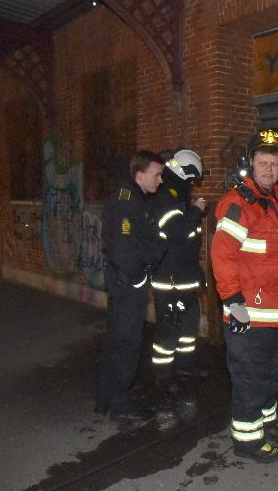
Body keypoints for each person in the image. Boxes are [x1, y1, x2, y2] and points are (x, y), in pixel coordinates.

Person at [210, 129, 278, 464]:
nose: (268, 169)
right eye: (262, 163)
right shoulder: (240, 203)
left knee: (272, 373)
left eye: (274, 163)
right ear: (250, 165)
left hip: (275, 313)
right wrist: (233, 301)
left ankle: (267, 424)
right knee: (250, 379)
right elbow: (221, 255)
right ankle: (247, 440)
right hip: (247, 313)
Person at [95, 150, 165, 424]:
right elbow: (123, 252)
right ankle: (120, 403)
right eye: (156, 175)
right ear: (139, 175)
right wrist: (137, 278)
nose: (160, 181)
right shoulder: (127, 204)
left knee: (118, 342)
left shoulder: (135, 199)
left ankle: (107, 398)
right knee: (126, 344)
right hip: (128, 285)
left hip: (125, 283)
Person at [150, 149, 208, 393]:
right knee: (169, 329)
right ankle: (163, 376)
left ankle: (185, 365)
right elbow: (178, 233)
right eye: (191, 180)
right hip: (170, 281)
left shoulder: (179, 198)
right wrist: (196, 210)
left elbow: (189, 245)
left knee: (188, 326)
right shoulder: (166, 199)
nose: (192, 185)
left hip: (185, 278)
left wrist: (197, 274)